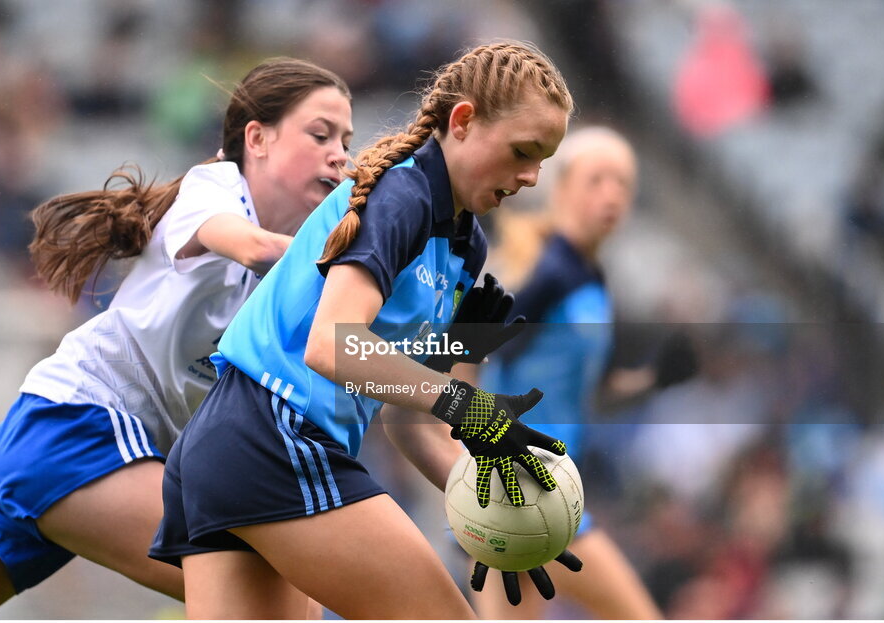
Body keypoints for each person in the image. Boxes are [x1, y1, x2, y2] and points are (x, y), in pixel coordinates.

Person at [0, 58, 353, 619]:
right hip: (83, 433)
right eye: (320, 134)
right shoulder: (217, 188)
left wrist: (449, 335)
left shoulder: (301, 268)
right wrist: (369, 249)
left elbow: (360, 359)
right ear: (257, 138)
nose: (340, 153)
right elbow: (253, 248)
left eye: (346, 139)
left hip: (47, 447)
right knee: (274, 596)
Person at [149, 41, 578, 620]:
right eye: (522, 151)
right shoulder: (404, 195)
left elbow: (407, 422)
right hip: (274, 437)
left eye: (542, 161)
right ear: (463, 121)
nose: (530, 177)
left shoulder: (464, 242)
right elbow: (332, 345)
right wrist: (469, 407)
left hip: (230, 451)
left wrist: (499, 517)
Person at [471, 126, 696, 619]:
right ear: (563, 186)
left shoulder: (590, 274)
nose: (612, 193)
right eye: (598, 179)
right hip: (526, 490)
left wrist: (654, 379)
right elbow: (471, 353)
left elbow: (589, 390)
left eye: (622, 182)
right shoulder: (549, 273)